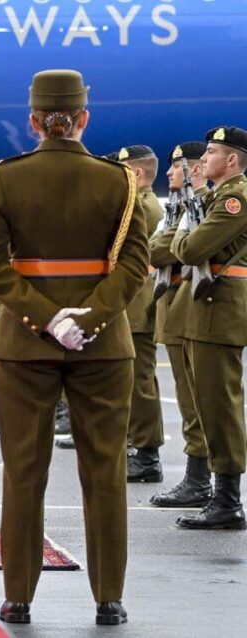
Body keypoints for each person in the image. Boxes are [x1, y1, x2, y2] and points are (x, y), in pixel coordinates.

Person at [0, 69, 148, 626]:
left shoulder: (7, 177)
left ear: (33, 122)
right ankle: (108, 599)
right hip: (103, 348)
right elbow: (135, 265)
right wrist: (90, 319)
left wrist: (48, 320)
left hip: (24, 344)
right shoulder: (119, 181)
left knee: (23, 471)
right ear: (83, 119)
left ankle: (18, 597)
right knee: (105, 472)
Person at [170, 126, 247, 531]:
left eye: (213, 152)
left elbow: (191, 249)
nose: (203, 161)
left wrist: (184, 241)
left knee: (221, 407)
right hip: (208, 312)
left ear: (232, 160)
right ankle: (221, 496)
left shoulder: (235, 199)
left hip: (222, 312)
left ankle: (229, 501)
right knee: (208, 405)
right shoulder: (217, 195)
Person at [150, 142, 213, 508]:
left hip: (192, 307)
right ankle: (197, 478)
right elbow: (156, 250)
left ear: (195, 171)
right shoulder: (175, 210)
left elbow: (174, 250)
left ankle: (202, 480)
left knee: (199, 401)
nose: (170, 173)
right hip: (173, 308)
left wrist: (170, 243)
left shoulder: (200, 206)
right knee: (189, 403)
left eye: (176, 167)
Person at [107, 146, 165, 483]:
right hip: (130, 303)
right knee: (130, 382)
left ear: (138, 174)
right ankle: (135, 445)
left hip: (139, 305)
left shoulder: (145, 206)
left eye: (123, 171)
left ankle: (148, 454)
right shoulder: (139, 203)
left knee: (141, 383)